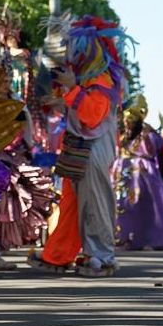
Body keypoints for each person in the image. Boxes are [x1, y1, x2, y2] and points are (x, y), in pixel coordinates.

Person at [27, 16, 128, 277]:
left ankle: (101, 257)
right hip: (77, 149)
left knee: (95, 203)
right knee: (71, 204)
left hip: (94, 150)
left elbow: (92, 116)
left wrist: (72, 89)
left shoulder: (102, 81)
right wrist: (63, 97)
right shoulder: (86, 80)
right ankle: (58, 255)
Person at [112, 95, 163, 250]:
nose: (128, 123)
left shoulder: (138, 132)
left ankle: (133, 238)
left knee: (137, 206)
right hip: (131, 171)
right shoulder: (130, 132)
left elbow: (160, 156)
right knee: (131, 206)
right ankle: (127, 237)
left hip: (133, 172)